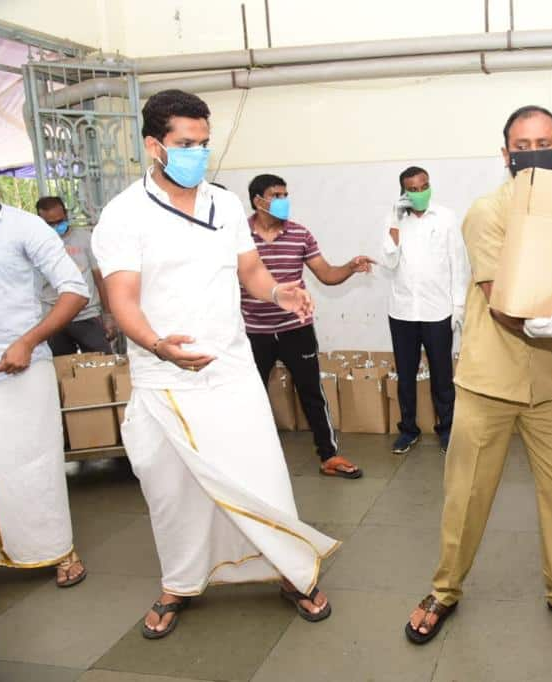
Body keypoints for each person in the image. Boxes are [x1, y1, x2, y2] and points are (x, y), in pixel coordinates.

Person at [92, 90, 340, 640]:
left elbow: (249, 272)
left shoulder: (224, 204)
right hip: (164, 376)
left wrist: (281, 293)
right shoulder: (123, 215)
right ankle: (180, 581)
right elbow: (122, 300)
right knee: (171, 489)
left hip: (228, 369)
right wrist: (159, 345)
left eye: (203, 145)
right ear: (154, 146)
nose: (197, 155)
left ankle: (289, 570)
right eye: (185, 145)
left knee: (261, 474)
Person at [405, 105, 552, 645]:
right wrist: (538, 322)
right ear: (506, 154)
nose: (533, 151)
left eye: (544, 141)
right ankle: (444, 589)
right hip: (488, 383)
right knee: (466, 495)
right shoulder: (486, 213)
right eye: (522, 144)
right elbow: (501, 302)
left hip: (547, 384)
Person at [0, 143, 90, 588]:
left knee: (31, 465)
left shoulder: (23, 227)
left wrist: (28, 340)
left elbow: (74, 289)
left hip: (17, 366)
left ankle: (57, 551)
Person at [245, 173, 372, 478]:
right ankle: (246, 461)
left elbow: (327, 273)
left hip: (296, 329)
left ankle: (329, 456)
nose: (283, 201)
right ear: (257, 200)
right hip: (253, 332)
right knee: (249, 396)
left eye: (285, 194)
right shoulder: (238, 236)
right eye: (276, 195)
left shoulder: (300, 234)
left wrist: (351, 268)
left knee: (312, 392)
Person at [381, 166, 468, 455]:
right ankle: (408, 430)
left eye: (424, 187)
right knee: (405, 375)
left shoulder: (445, 217)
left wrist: (458, 306)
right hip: (403, 310)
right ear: (403, 192)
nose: (421, 193)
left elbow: (459, 263)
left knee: (442, 375)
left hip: (437, 310)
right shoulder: (395, 220)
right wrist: (394, 220)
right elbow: (389, 261)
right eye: (414, 190)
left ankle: (447, 429)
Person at [35, 196, 115, 354]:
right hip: (54, 318)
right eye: (50, 223)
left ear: (65, 215)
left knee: (103, 365)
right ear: (41, 221)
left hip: (86, 315)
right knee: (63, 371)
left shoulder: (84, 238)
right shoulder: (36, 244)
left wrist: (108, 315)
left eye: (59, 220)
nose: (57, 226)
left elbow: (99, 279)